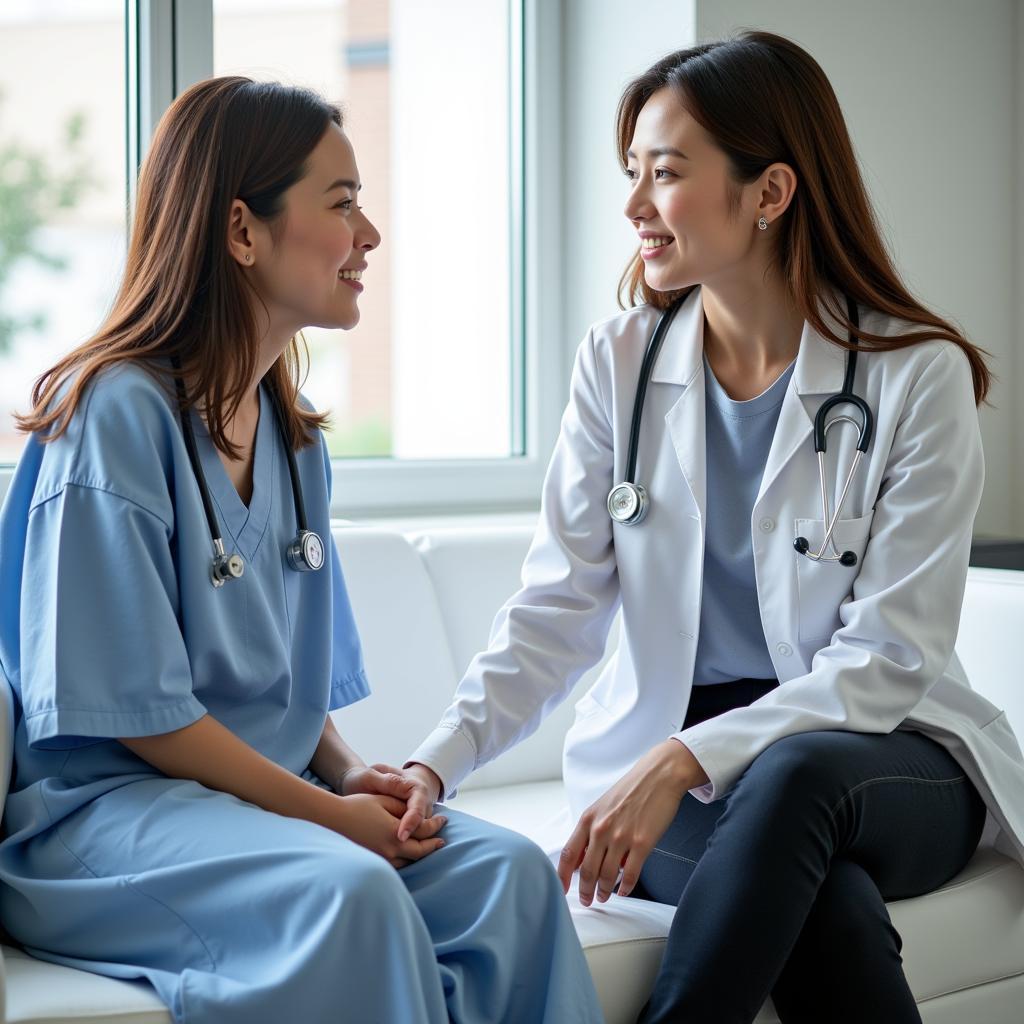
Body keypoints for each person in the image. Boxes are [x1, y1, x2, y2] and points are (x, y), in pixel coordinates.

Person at [394, 31, 1024, 1024]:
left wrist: (685, 760)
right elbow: (556, 607)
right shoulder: (620, 363)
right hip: (687, 767)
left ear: (769, 192)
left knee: (794, 775)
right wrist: (436, 759)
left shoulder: (913, 373)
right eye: (632, 173)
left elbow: (891, 653)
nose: (634, 204)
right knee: (829, 914)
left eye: (666, 173)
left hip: (881, 750)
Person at [0, 77, 604, 1024]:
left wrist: (350, 771)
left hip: (251, 807)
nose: (370, 236)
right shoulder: (112, 415)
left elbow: (286, 685)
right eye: (343, 204)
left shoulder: (293, 435)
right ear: (242, 231)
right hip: (110, 815)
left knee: (511, 877)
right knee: (353, 893)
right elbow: (139, 714)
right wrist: (327, 816)